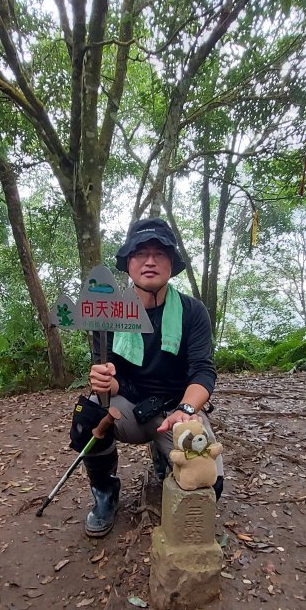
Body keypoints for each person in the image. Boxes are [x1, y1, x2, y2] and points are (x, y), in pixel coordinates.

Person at [80, 217, 223, 538]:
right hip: (129, 404)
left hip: (176, 408)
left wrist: (186, 411)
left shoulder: (192, 311)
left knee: (212, 484)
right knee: (89, 412)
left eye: (159, 253)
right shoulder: (107, 312)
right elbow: (109, 373)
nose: (149, 261)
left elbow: (203, 370)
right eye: (139, 253)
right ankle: (105, 492)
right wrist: (104, 381)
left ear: (171, 263)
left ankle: (164, 454)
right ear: (127, 263)